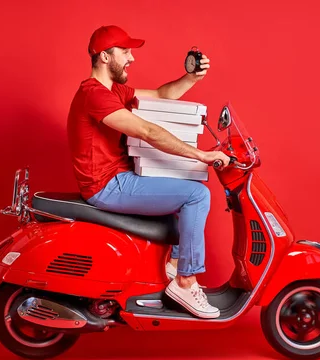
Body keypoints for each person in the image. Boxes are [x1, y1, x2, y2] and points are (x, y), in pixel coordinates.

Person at [66, 25, 230, 319]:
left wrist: (190, 78)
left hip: (119, 177)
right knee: (197, 195)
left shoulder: (112, 91)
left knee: (186, 183)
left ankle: (174, 265)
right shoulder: (94, 95)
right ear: (105, 56)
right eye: (126, 51)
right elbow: (147, 131)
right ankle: (185, 280)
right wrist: (200, 155)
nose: (132, 58)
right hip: (108, 185)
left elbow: (160, 94)